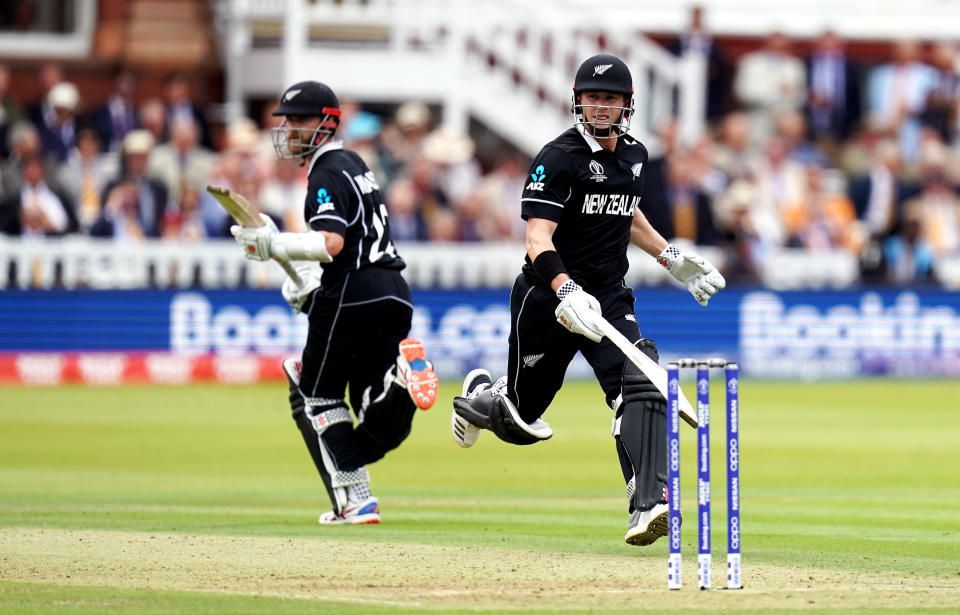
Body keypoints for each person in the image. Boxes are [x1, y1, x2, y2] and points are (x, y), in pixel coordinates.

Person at [449, 54, 726, 547]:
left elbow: (629, 215)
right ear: (578, 100)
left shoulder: (636, 156)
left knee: (640, 382)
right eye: (592, 98)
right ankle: (479, 399)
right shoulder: (558, 157)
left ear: (627, 105)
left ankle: (648, 502)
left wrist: (671, 258)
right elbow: (538, 239)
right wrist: (566, 290)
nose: (600, 107)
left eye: (610, 99)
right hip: (546, 297)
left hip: (610, 296)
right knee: (522, 419)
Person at [229, 80, 438, 525]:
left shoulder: (324, 171)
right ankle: (401, 385)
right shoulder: (356, 163)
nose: (288, 128)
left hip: (351, 290)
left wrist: (274, 245)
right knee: (370, 412)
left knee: (314, 395)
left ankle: (355, 500)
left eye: (299, 120)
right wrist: (312, 291)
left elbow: (333, 242)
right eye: (285, 120)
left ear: (327, 123)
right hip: (394, 293)